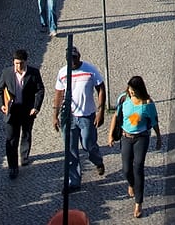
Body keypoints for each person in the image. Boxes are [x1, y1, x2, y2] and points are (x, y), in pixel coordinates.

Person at [107, 76, 162, 220]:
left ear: (139, 90)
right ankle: (131, 184)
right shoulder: (124, 99)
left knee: (138, 168)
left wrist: (159, 138)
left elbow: (154, 121)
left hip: (141, 138)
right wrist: (110, 135)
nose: (131, 92)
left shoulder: (147, 103)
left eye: (133, 90)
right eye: (130, 89)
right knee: (126, 169)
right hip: (126, 137)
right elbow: (116, 116)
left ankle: (139, 203)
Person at [53, 46, 106, 192]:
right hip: (68, 117)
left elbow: (101, 88)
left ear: (79, 56)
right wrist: (55, 115)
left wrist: (101, 111)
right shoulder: (63, 73)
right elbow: (58, 94)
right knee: (70, 149)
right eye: (69, 59)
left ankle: (97, 160)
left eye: (74, 58)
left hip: (87, 115)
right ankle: (74, 181)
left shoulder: (90, 69)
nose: (72, 62)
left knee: (88, 143)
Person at [0, 48, 45, 178]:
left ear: (26, 62)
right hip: (12, 111)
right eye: (16, 63)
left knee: (26, 133)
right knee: (11, 139)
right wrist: (2, 105)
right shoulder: (6, 73)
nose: (18, 66)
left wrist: (36, 107)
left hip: (27, 110)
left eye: (21, 63)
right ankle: (12, 166)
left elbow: (40, 90)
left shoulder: (33, 73)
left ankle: (24, 157)